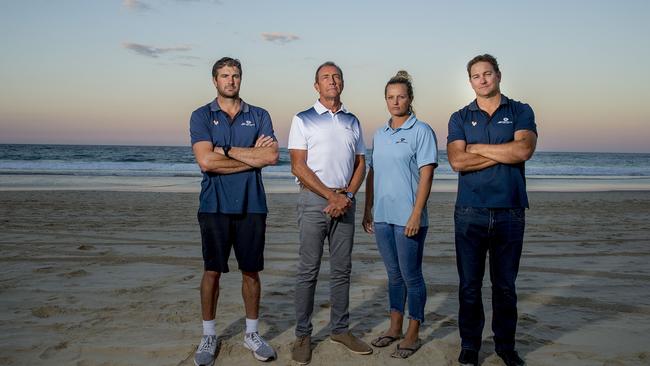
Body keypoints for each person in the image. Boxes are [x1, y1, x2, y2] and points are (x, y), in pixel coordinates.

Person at [447, 54, 537, 366]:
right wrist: (504, 153)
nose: (483, 80)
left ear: (498, 75)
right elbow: (457, 161)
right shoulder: (459, 117)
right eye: (476, 76)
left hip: (510, 211)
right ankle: (470, 345)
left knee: (505, 286)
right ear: (470, 81)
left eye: (488, 74)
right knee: (469, 286)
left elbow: (524, 149)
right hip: (469, 211)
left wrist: (477, 149)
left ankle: (505, 346)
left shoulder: (520, 110)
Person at [189, 57, 279, 366]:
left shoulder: (259, 115)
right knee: (212, 271)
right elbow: (205, 162)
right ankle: (209, 334)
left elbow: (271, 156)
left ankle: (251, 333)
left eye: (236, 75)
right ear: (214, 80)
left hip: (252, 204)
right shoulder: (201, 115)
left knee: (251, 271)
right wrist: (251, 157)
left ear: (241, 79)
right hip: (213, 205)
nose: (231, 80)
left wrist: (224, 151)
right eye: (225, 75)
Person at [288, 61, 372, 364]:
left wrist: (347, 195)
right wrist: (330, 196)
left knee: (342, 270)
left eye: (336, 76)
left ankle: (340, 329)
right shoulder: (303, 119)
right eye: (326, 77)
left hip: (345, 201)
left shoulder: (353, 120)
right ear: (316, 86)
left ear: (342, 83)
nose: (332, 81)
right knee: (308, 270)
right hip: (314, 200)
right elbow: (298, 165)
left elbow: (362, 162)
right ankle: (303, 335)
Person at [362, 70, 438, 359]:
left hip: (409, 217)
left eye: (401, 96)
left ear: (410, 99)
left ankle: (412, 333)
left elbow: (426, 175)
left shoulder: (422, 131)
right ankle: (394, 328)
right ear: (385, 100)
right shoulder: (380, 134)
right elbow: (373, 172)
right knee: (393, 275)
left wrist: (417, 213)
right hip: (382, 216)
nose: (396, 101)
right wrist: (368, 207)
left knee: (411, 276)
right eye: (391, 97)